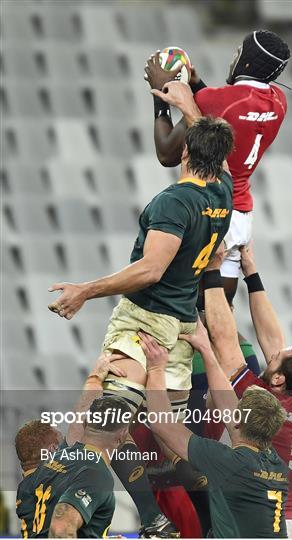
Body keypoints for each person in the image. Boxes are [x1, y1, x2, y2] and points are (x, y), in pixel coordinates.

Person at [47, 86, 234, 536]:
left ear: (186, 149)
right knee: (172, 447)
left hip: (144, 326)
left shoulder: (174, 203)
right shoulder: (224, 191)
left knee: (100, 434)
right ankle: (216, 521)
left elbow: (150, 269)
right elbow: (218, 244)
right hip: (182, 329)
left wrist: (85, 291)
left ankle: (152, 520)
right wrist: (181, 101)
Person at [145, 30, 290, 304]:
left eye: (238, 53)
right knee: (223, 313)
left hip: (214, 211)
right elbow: (231, 108)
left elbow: (167, 154)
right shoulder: (279, 100)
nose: (232, 58)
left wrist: (160, 99)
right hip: (242, 214)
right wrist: (199, 86)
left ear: (245, 62)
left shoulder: (217, 102)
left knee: (192, 312)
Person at [201, 244, 292, 538]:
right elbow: (272, 339)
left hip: (277, 520)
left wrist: (213, 270)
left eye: (276, 358)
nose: (271, 354)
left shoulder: (258, 397)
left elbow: (223, 341)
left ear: (278, 379)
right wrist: (251, 274)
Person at [141, 327, 289, 539]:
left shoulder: (228, 462)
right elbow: (231, 411)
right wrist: (206, 351)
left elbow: (163, 426)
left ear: (238, 421)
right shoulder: (274, 461)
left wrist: (156, 369)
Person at [15, 353, 128, 539]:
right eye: (61, 440)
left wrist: (95, 378)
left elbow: (78, 422)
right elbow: (60, 530)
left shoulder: (44, 472)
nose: (66, 445)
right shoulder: (93, 473)